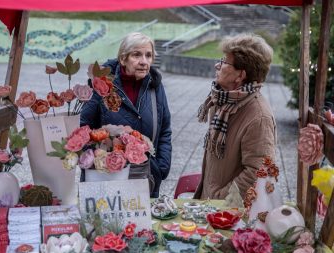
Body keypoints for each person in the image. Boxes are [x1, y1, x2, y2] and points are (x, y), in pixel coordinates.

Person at [80, 32, 172, 198]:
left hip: (146, 177)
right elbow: (83, 129)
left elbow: (164, 130)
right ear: (123, 59)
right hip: (107, 177)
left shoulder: (155, 87)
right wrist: (97, 162)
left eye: (148, 55)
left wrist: (161, 167)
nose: (144, 61)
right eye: (136, 55)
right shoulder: (102, 85)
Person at [193, 34, 276, 200]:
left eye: (224, 62)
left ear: (240, 75)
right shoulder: (223, 101)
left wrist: (219, 198)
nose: (218, 65)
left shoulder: (259, 117)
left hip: (229, 213)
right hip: (210, 204)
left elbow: (258, 172)